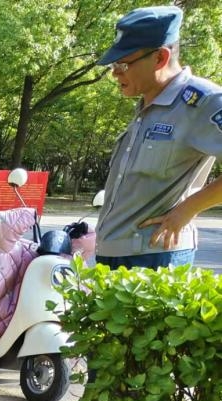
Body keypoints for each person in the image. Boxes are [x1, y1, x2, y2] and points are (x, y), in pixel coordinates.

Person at [95, 5, 222, 268]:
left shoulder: (203, 102)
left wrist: (186, 210)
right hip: (114, 255)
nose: (115, 72)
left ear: (160, 58)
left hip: (155, 258)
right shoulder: (147, 104)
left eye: (124, 63)